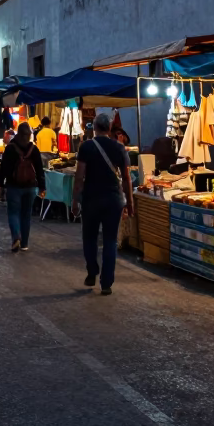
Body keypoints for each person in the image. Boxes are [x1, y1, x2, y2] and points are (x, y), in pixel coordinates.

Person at [73, 113, 133, 293]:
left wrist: (75, 200)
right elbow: (127, 178)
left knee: (89, 238)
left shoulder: (86, 147)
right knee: (110, 241)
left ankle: (92, 271)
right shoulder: (119, 147)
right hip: (114, 200)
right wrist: (130, 202)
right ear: (109, 128)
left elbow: (79, 176)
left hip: (91, 199)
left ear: (95, 127)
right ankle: (106, 283)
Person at [0, 121, 45, 252]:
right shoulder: (33, 149)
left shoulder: (10, 148)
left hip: (14, 186)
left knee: (13, 212)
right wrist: (42, 187)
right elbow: (39, 169)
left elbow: (4, 168)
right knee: (26, 214)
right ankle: (24, 244)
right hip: (30, 187)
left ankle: (16, 236)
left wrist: (0, 184)